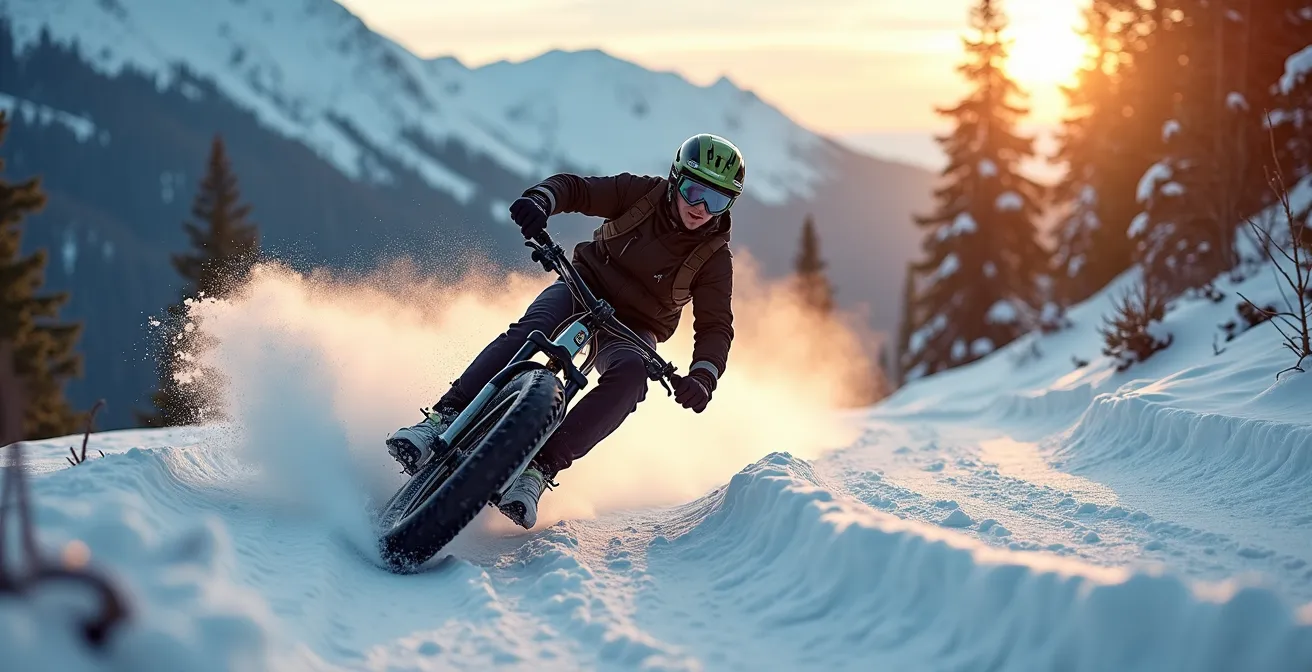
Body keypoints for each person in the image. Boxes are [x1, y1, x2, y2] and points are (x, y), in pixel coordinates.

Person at [385, 133, 745, 529]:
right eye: (694, 191)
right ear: (676, 179)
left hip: (635, 328)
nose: (700, 208)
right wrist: (542, 200)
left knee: (631, 378)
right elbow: (577, 190)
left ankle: (538, 470)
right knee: (531, 331)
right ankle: (441, 419)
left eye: (717, 200)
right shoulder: (640, 194)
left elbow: (715, 325)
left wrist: (704, 375)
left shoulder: (714, 259)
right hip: (581, 286)